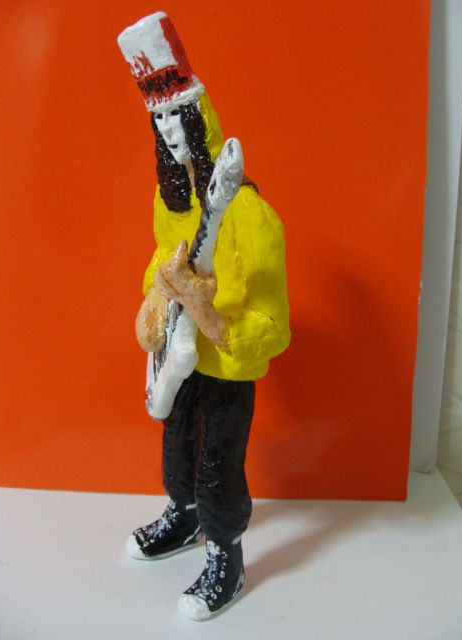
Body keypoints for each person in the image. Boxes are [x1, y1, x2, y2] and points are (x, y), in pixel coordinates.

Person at [118, 11, 290, 620]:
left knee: (219, 460)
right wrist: (156, 298)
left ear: (200, 120)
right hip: (182, 353)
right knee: (177, 443)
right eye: (159, 120)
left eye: (178, 117)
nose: (169, 131)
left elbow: (274, 324)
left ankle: (226, 556)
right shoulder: (170, 203)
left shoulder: (251, 216)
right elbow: (158, 258)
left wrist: (213, 318)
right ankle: (184, 516)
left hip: (227, 366)